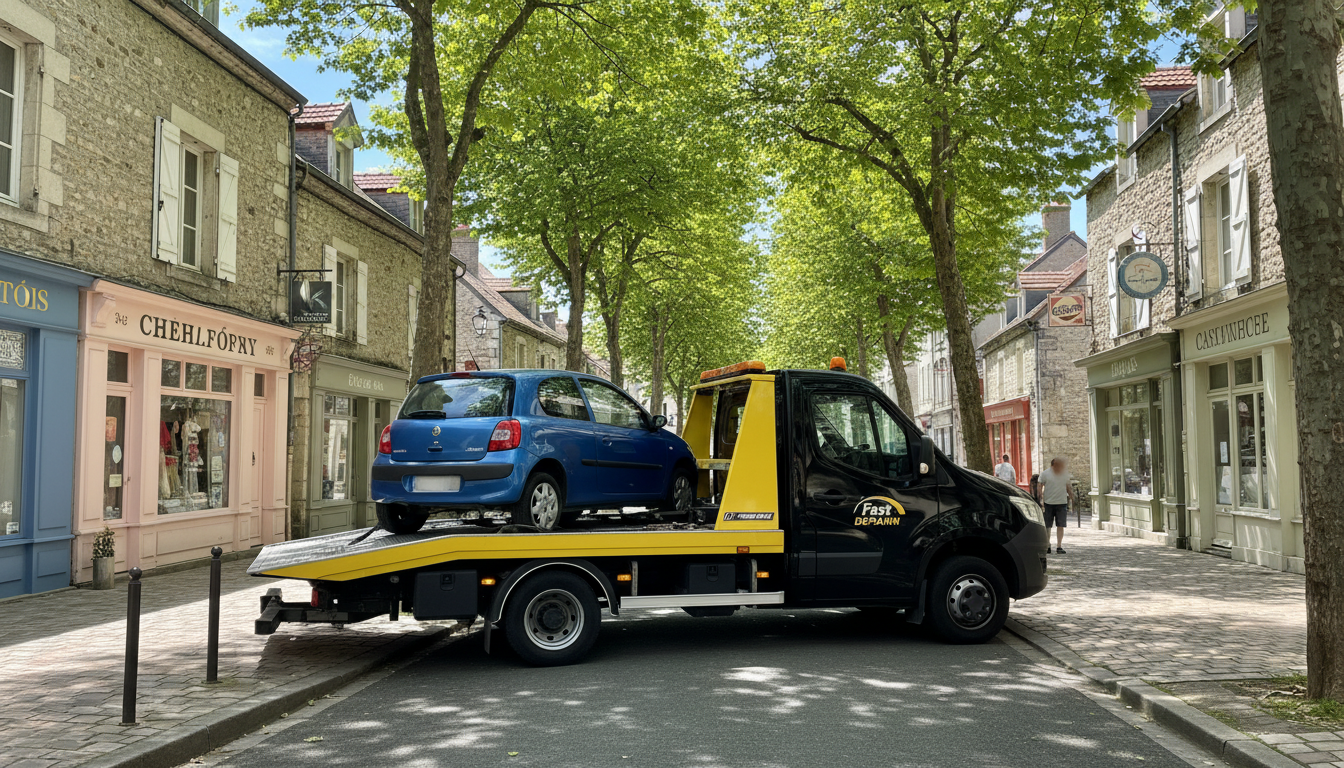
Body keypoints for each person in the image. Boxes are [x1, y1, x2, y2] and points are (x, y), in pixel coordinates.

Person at [1040, 457, 1073, 554]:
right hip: (1048, 503)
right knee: (1047, 526)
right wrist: (1041, 498)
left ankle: (1059, 546)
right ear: (1053, 465)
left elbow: (1068, 486)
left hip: (1061, 502)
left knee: (1060, 525)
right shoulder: (1045, 473)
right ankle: (1047, 545)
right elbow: (1040, 484)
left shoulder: (1064, 474)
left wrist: (1071, 497)